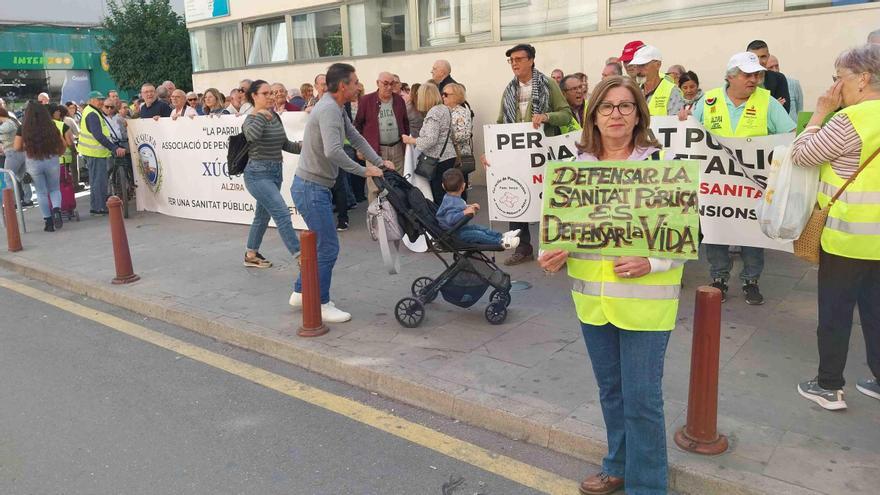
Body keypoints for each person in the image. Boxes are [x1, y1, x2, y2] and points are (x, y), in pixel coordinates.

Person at [539, 75, 684, 495]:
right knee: (612, 394)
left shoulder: (660, 166)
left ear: (639, 114)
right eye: (607, 106)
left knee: (642, 401)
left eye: (625, 106)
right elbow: (557, 234)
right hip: (593, 305)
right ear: (593, 115)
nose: (616, 114)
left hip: (645, 306)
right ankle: (617, 465)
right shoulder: (573, 170)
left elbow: (687, 234)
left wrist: (652, 260)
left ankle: (648, 486)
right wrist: (551, 254)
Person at [790, 43, 880, 411]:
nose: (833, 87)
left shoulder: (850, 120)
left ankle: (829, 385)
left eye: (837, 78)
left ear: (862, 79)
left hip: (847, 238)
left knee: (835, 313)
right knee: (875, 310)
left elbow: (802, 154)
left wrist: (820, 113)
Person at [681, 52, 796, 305]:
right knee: (716, 230)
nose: (754, 79)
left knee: (752, 233)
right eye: (747, 74)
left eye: (757, 74)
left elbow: (789, 134)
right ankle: (718, 278)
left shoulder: (767, 102)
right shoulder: (708, 100)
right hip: (716, 184)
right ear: (731, 76)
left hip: (752, 185)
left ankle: (750, 281)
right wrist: (682, 123)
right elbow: (691, 132)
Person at [288, 63, 393, 323]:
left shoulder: (335, 107)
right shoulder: (328, 110)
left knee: (320, 245)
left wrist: (378, 162)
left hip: (314, 186)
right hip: (311, 188)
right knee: (328, 247)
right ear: (343, 86)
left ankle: (301, 293)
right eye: (355, 82)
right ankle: (321, 302)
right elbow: (333, 151)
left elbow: (355, 137)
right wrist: (364, 171)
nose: (359, 86)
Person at [482, 43, 573, 265]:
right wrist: (491, 152)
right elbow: (501, 124)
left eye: (519, 59)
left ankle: (554, 250)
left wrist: (546, 117)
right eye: (511, 60)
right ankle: (523, 248)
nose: (514, 64)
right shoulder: (509, 90)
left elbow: (566, 115)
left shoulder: (548, 85)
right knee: (516, 198)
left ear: (531, 60)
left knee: (549, 201)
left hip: (543, 154)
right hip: (517, 156)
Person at [240, 79, 303, 271]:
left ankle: (251, 254)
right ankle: (301, 256)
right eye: (265, 94)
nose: (271, 97)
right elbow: (251, 136)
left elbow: (285, 144)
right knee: (282, 213)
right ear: (254, 96)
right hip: (257, 174)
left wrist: (304, 146)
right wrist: (261, 115)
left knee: (261, 216)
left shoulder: (274, 116)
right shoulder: (252, 118)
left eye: (271, 93)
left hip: (275, 172)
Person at [354, 71, 409, 201]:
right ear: (377, 83)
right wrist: (359, 148)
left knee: (397, 182)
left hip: (397, 149)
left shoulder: (399, 100)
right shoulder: (366, 101)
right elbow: (357, 125)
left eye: (392, 84)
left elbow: (405, 123)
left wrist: (405, 145)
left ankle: (397, 216)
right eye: (385, 84)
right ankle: (376, 218)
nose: (389, 87)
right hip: (374, 150)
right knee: (375, 186)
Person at [13, 102, 66, 231]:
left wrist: (27, 148)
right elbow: (62, 144)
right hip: (51, 159)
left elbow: (16, 147)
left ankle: (48, 222)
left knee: (41, 192)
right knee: (54, 189)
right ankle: (57, 210)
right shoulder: (51, 125)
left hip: (34, 161)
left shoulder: (23, 128)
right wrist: (58, 153)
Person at [436, 168, 519, 249]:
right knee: (477, 234)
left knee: (479, 228)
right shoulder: (452, 201)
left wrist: (469, 207)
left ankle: (501, 236)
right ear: (464, 186)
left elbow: (455, 209)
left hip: (459, 228)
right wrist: (464, 212)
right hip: (454, 234)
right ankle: (501, 242)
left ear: (443, 186)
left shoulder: (449, 197)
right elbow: (450, 219)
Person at [402, 82, 456, 204]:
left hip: (437, 160)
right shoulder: (445, 109)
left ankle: (442, 221)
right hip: (449, 156)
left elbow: (430, 140)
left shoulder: (433, 113)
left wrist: (411, 140)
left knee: (438, 195)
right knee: (448, 193)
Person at [78, 91, 127, 215]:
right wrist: (113, 147)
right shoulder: (92, 114)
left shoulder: (91, 111)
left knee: (96, 181)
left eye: (101, 99)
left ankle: (96, 207)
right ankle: (100, 208)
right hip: (95, 152)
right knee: (99, 181)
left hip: (94, 152)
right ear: (91, 101)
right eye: (98, 99)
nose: (101, 102)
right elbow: (98, 135)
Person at [628, 45, 685, 116]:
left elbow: (675, 123)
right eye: (636, 66)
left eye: (643, 65)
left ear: (658, 65)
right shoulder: (635, 91)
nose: (639, 70)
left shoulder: (672, 91)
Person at [747, 40, 792, 113]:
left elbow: (784, 110)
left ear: (768, 57)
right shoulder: (740, 79)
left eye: (763, 57)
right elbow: (741, 110)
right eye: (754, 57)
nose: (759, 61)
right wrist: (773, 105)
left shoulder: (778, 79)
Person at [445, 83, 474, 193]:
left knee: (459, 185)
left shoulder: (462, 112)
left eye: (446, 94)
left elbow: (465, 133)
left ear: (455, 96)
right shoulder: (445, 110)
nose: (443, 96)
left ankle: (461, 207)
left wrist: (446, 138)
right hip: (449, 154)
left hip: (459, 155)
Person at [766, 55, 804, 123]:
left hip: (793, 130)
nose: (775, 70)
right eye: (770, 67)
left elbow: (799, 110)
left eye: (776, 66)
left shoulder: (793, 84)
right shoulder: (761, 87)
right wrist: (775, 105)